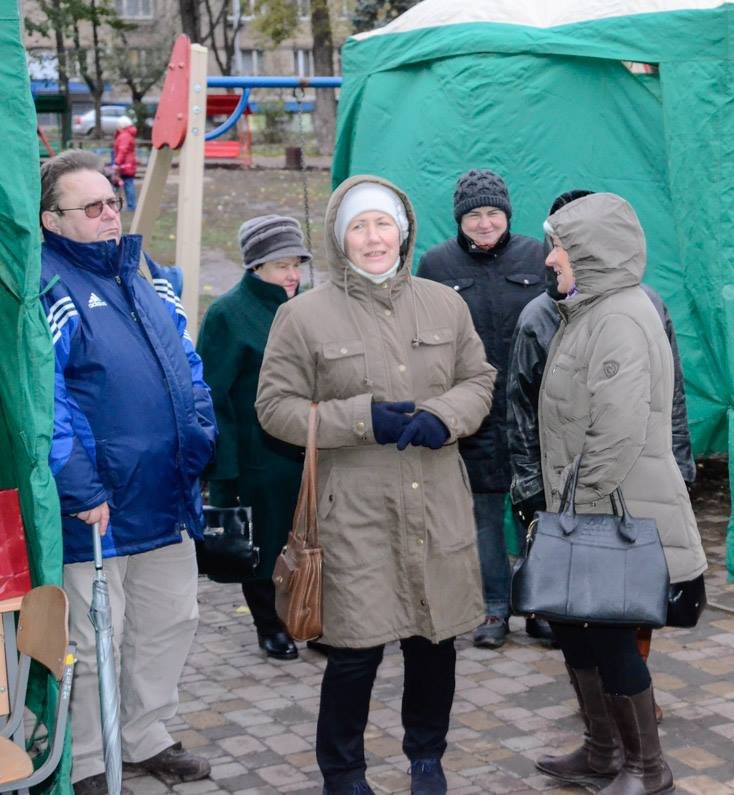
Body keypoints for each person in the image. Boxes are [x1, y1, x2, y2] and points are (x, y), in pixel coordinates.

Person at [256, 175, 496, 795]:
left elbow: (479, 378)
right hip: (354, 508)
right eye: (359, 226)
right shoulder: (301, 315)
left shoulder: (445, 304)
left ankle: (426, 758)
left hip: (435, 497)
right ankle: (343, 771)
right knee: (355, 651)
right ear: (340, 239)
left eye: (383, 224)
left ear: (404, 230)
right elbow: (275, 408)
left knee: (433, 640)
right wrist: (360, 419)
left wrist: (445, 416)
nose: (373, 238)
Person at [38, 149, 215, 793]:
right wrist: (79, 483)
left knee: (171, 621)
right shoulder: (45, 286)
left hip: (166, 495)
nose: (109, 214)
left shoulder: (146, 275)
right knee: (93, 640)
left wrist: (198, 437)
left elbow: (187, 364)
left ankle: (145, 735)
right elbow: (44, 399)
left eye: (112, 201)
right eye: (91, 206)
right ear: (52, 219)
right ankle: (85, 757)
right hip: (99, 506)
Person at [534, 192, 707, 794]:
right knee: (575, 629)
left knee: (610, 638)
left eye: (560, 245)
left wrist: (575, 513)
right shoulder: (591, 310)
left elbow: (617, 431)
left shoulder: (619, 318)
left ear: (591, 251)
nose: (550, 257)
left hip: (613, 510)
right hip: (588, 509)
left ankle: (647, 768)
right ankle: (603, 753)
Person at [417, 168, 549, 649]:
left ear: (507, 214)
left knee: (534, 511)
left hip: (532, 413)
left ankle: (539, 603)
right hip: (472, 415)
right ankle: (494, 608)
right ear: (459, 219)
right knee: (483, 516)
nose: (485, 223)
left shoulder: (537, 256)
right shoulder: (435, 265)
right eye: (474, 215)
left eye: (493, 213)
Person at [196, 215, 309, 661]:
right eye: (282, 265)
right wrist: (224, 468)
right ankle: (270, 625)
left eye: (297, 264)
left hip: (308, 450)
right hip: (257, 456)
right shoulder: (228, 314)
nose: (292, 275)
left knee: (308, 540)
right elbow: (213, 394)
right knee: (262, 545)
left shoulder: (306, 305)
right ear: (256, 266)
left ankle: (308, 613)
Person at [112, 116, 138, 211]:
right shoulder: (126, 135)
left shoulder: (124, 136)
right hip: (128, 164)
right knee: (127, 184)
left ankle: (131, 206)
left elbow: (122, 150)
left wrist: (117, 162)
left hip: (125, 165)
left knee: (127, 184)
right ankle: (129, 205)